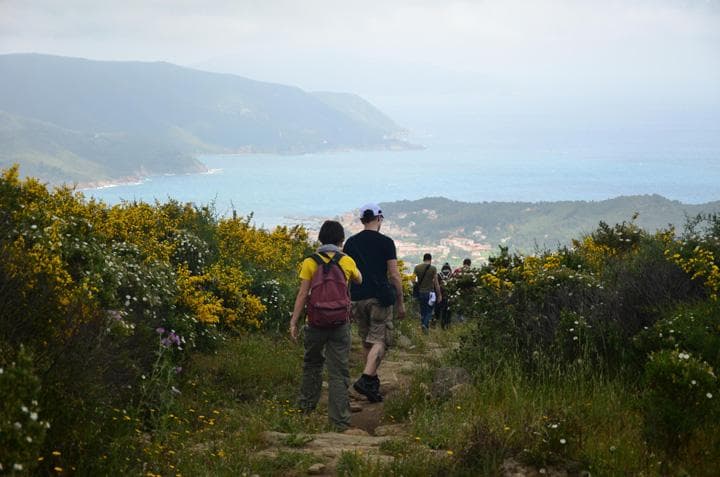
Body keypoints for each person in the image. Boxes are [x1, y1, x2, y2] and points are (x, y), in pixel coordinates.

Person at [289, 220, 362, 431]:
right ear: (341, 240)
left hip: (315, 322)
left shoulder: (310, 262)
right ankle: (339, 422)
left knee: (311, 364)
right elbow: (359, 280)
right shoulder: (347, 261)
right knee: (339, 372)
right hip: (340, 323)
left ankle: (305, 409)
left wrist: (294, 321)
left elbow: (303, 294)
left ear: (320, 238)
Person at [343, 203, 406, 403]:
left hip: (357, 297)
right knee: (381, 340)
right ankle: (366, 379)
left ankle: (370, 386)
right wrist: (400, 301)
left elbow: (346, 274)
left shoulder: (351, 243)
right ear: (378, 219)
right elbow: (395, 275)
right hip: (379, 298)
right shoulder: (386, 242)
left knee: (367, 341)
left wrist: (347, 300)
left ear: (362, 220)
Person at [413, 253, 442, 333]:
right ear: (430, 259)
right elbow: (436, 283)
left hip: (420, 292)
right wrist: (439, 295)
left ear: (423, 259)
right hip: (430, 293)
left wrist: (417, 285)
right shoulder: (433, 268)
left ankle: (423, 326)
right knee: (429, 311)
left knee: (422, 311)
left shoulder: (417, 267)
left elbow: (413, 280)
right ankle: (425, 325)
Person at [435, 262, 453, 329]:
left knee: (439, 309)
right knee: (448, 310)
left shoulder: (438, 275)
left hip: (440, 295)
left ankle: (439, 320)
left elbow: (435, 285)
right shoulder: (452, 275)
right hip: (449, 295)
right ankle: (447, 323)